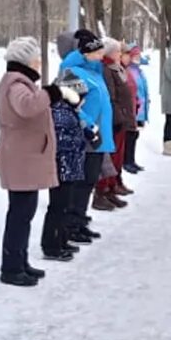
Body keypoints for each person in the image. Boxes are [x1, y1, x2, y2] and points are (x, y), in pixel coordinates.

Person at [0, 37, 79, 287]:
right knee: (20, 215)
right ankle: (11, 267)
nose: (40, 63)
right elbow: (28, 107)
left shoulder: (21, 82)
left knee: (25, 213)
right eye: (36, 59)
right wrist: (53, 92)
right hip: (21, 160)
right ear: (26, 61)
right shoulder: (16, 84)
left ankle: (19, 261)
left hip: (26, 159)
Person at [60, 29, 114, 230]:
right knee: (82, 181)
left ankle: (80, 219)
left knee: (90, 179)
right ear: (87, 53)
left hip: (99, 134)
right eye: (99, 53)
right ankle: (73, 223)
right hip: (87, 134)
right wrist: (88, 125)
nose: (102, 57)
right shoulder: (73, 72)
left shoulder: (94, 72)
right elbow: (71, 104)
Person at [41, 69, 89, 260]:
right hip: (62, 167)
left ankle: (61, 239)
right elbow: (60, 142)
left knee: (64, 206)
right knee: (57, 207)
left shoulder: (68, 110)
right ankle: (51, 245)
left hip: (70, 166)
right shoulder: (59, 112)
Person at [95, 38, 137, 209]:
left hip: (124, 116)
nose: (121, 53)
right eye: (118, 51)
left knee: (118, 155)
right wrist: (119, 117)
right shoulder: (107, 70)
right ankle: (104, 189)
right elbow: (112, 97)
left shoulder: (117, 68)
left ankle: (113, 185)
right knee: (111, 156)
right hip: (115, 119)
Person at [124, 44, 150, 173]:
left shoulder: (139, 70)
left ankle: (131, 159)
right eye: (135, 55)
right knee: (130, 135)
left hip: (140, 107)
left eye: (139, 55)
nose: (138, 57)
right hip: (133, 107)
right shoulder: (128, 70)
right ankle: (127, 160)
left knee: (135, 134)